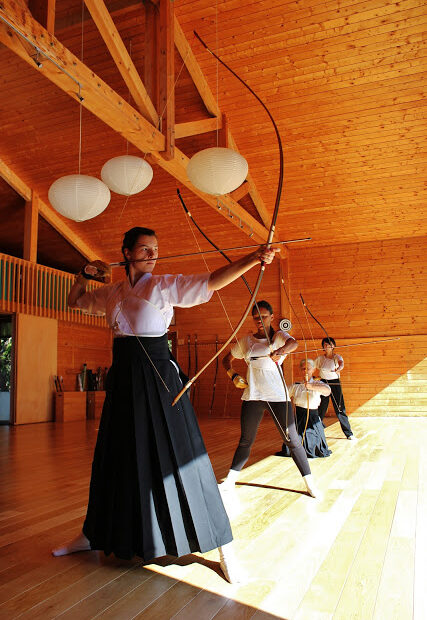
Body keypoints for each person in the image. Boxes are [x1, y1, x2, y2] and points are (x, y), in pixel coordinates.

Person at [52, 226, 278, 583]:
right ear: (126, 252)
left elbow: (212, 282)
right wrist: (83, 274)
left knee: (183, 456)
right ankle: (93, 533)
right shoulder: (113, 292)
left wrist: (253, 258)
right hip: (124, 380)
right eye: (144, 249)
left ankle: (220, 544)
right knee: (114, 456)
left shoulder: (163, 286)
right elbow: (75, 301)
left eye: (155, 249)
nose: (152, 255)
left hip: (158, 381)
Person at [221, 301, 320, 498]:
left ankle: (310, 483)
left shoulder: (278, 337)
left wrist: (280, 351)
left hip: (277, 396)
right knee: (245, 440)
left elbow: (294, 343)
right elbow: (226, 359)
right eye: (256, 317)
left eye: (264, 316)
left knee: (292, 440)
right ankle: (229, 481)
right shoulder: (246, 341)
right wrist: (233, 375)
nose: (260, 320)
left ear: (272, 317)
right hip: (253, 396)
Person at [277, 359, 332, 458]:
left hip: (312, 418)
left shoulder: (318, 383)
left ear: (313, 370)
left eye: (308, 369)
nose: (305, 371)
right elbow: (282, 394)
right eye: (303, 369)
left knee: (313, 445)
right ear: (300, 370)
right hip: (298, 417)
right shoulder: (296, 386)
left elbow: (327, 391)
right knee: (291, 446)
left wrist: (312, 387)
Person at [315, 337, 356, 440]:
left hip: (335, 384)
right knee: (321, 407)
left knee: (339, 408)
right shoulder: (320, 359)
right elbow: (311, 365)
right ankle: (316, 430)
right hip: (323, 383)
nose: (327, 346)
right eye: (325, 345)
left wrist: (339, 368)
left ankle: (349, 433)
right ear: (323, 347)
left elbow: (341, 363)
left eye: (329, 344)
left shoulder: (337, 357)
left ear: (333, 346)